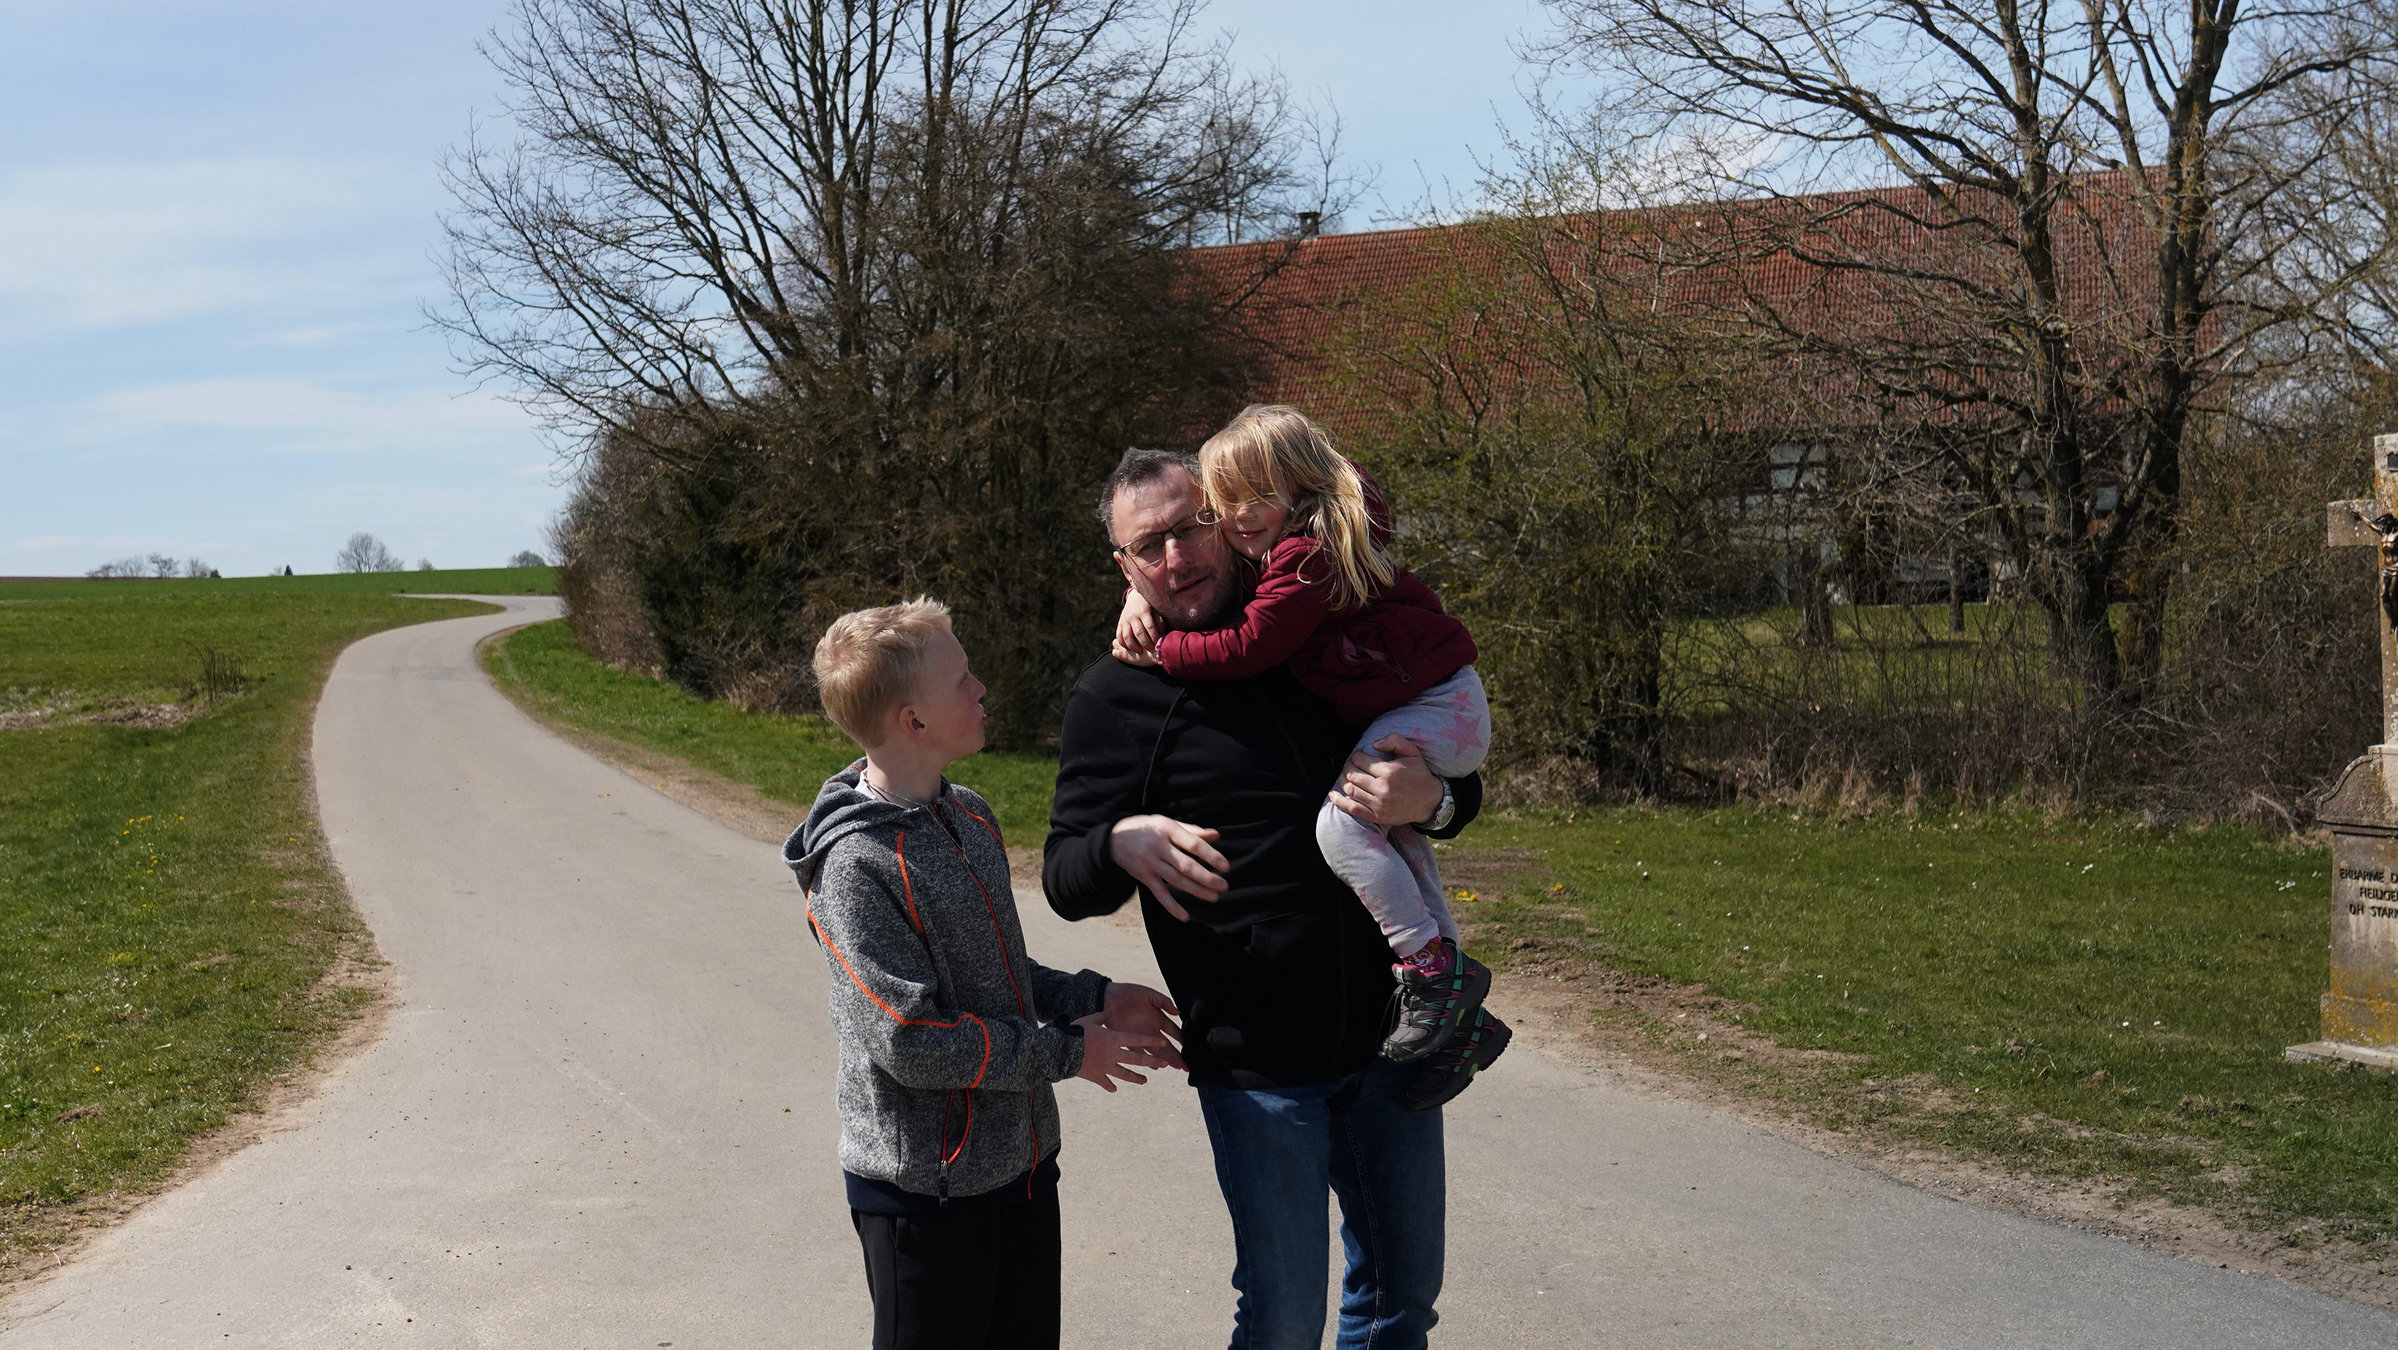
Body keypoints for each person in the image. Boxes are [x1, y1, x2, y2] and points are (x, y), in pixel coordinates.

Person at [1045, 450, 1508, 1350]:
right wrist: (1118, 844)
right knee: (1283, 1319)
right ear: (1125, 569)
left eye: (1189, 528)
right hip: (1258, 1067)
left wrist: (1438, 803)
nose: (1176, 559)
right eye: (1150, 547)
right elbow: (1066, 875)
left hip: (1392, 1038)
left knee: (1400, 1305)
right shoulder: (1116, 697)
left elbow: (1448, 771)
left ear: (1228, 519)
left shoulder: (1318, 632)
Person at [785, 597, 1183, 1350]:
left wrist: (1093, 995)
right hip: (922, 1197)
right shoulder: (854, 867)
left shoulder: (970, 816)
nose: (982, 690)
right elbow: (912, 1041)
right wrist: (1070, 1050)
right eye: (962, 680)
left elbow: (999, 973)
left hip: (1025, 1168)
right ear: (914, 721)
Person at [1112, 404, 1495, 1069]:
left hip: (1440, 707)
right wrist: (1136, 599)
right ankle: (1450, 992)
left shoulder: (1305, 556)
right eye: (1225, 502)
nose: (1237, 516)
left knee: (1343, 828)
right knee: (1387, 834)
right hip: (1439, 704)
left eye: (1256, 495)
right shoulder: (1291, 546)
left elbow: (1253, 641)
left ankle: (1434, 975)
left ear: (1301, 485)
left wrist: (1166, 650)